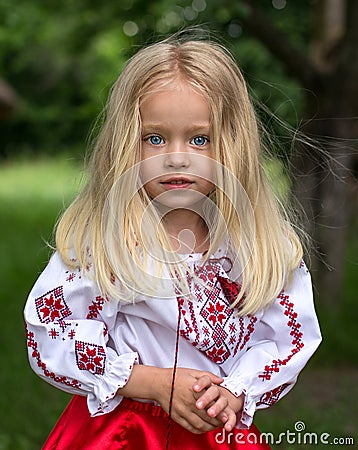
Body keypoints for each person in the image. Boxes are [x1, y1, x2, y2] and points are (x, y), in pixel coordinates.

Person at [24, 34, 321, 449]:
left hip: (217, 429)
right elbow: (52, 329)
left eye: (199, 139)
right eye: (155, 138)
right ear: (127, 142)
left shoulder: (256, 249)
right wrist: (151, 382)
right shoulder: (106, 243)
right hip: (124, 430)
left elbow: (289, 339)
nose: (177, 157)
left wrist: (236, 390)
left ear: (231, 145)